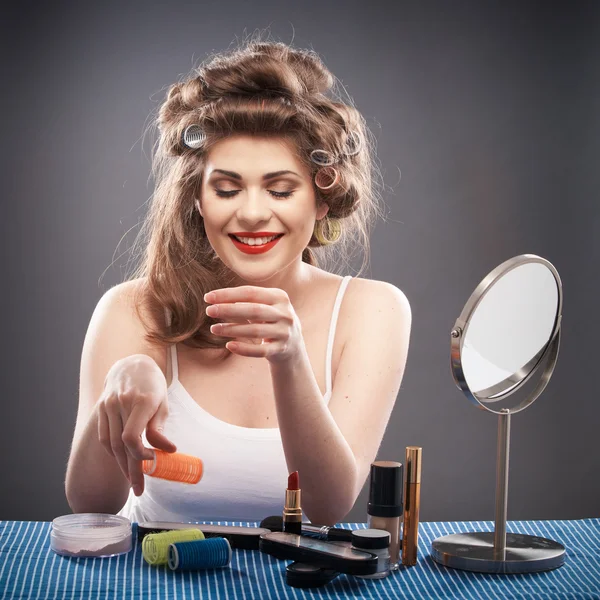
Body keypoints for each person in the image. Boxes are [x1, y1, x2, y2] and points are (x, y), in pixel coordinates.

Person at [65, 39, 412, 526]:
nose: (251, 214)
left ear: (322, 200)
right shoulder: (132, 309)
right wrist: (117, 391)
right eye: (227, 189)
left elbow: (327, 505)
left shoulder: (373, 310)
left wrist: (289, 358)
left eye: (280, 189)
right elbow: (90, 504)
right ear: (198, 199)